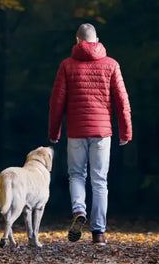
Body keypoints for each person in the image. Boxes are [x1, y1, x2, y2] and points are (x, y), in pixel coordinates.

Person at [48, 23, 132, 245]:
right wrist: (126, 130)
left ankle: (78, 210)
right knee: (99, 181)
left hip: (76, 131)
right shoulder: (112, 65)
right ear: (97, 40)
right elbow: (122, 102)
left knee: (76, 175)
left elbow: (57, 102)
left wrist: (54, 132)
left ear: (77, 41)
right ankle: (99, 233)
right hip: (103, 132)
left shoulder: (66, 66)